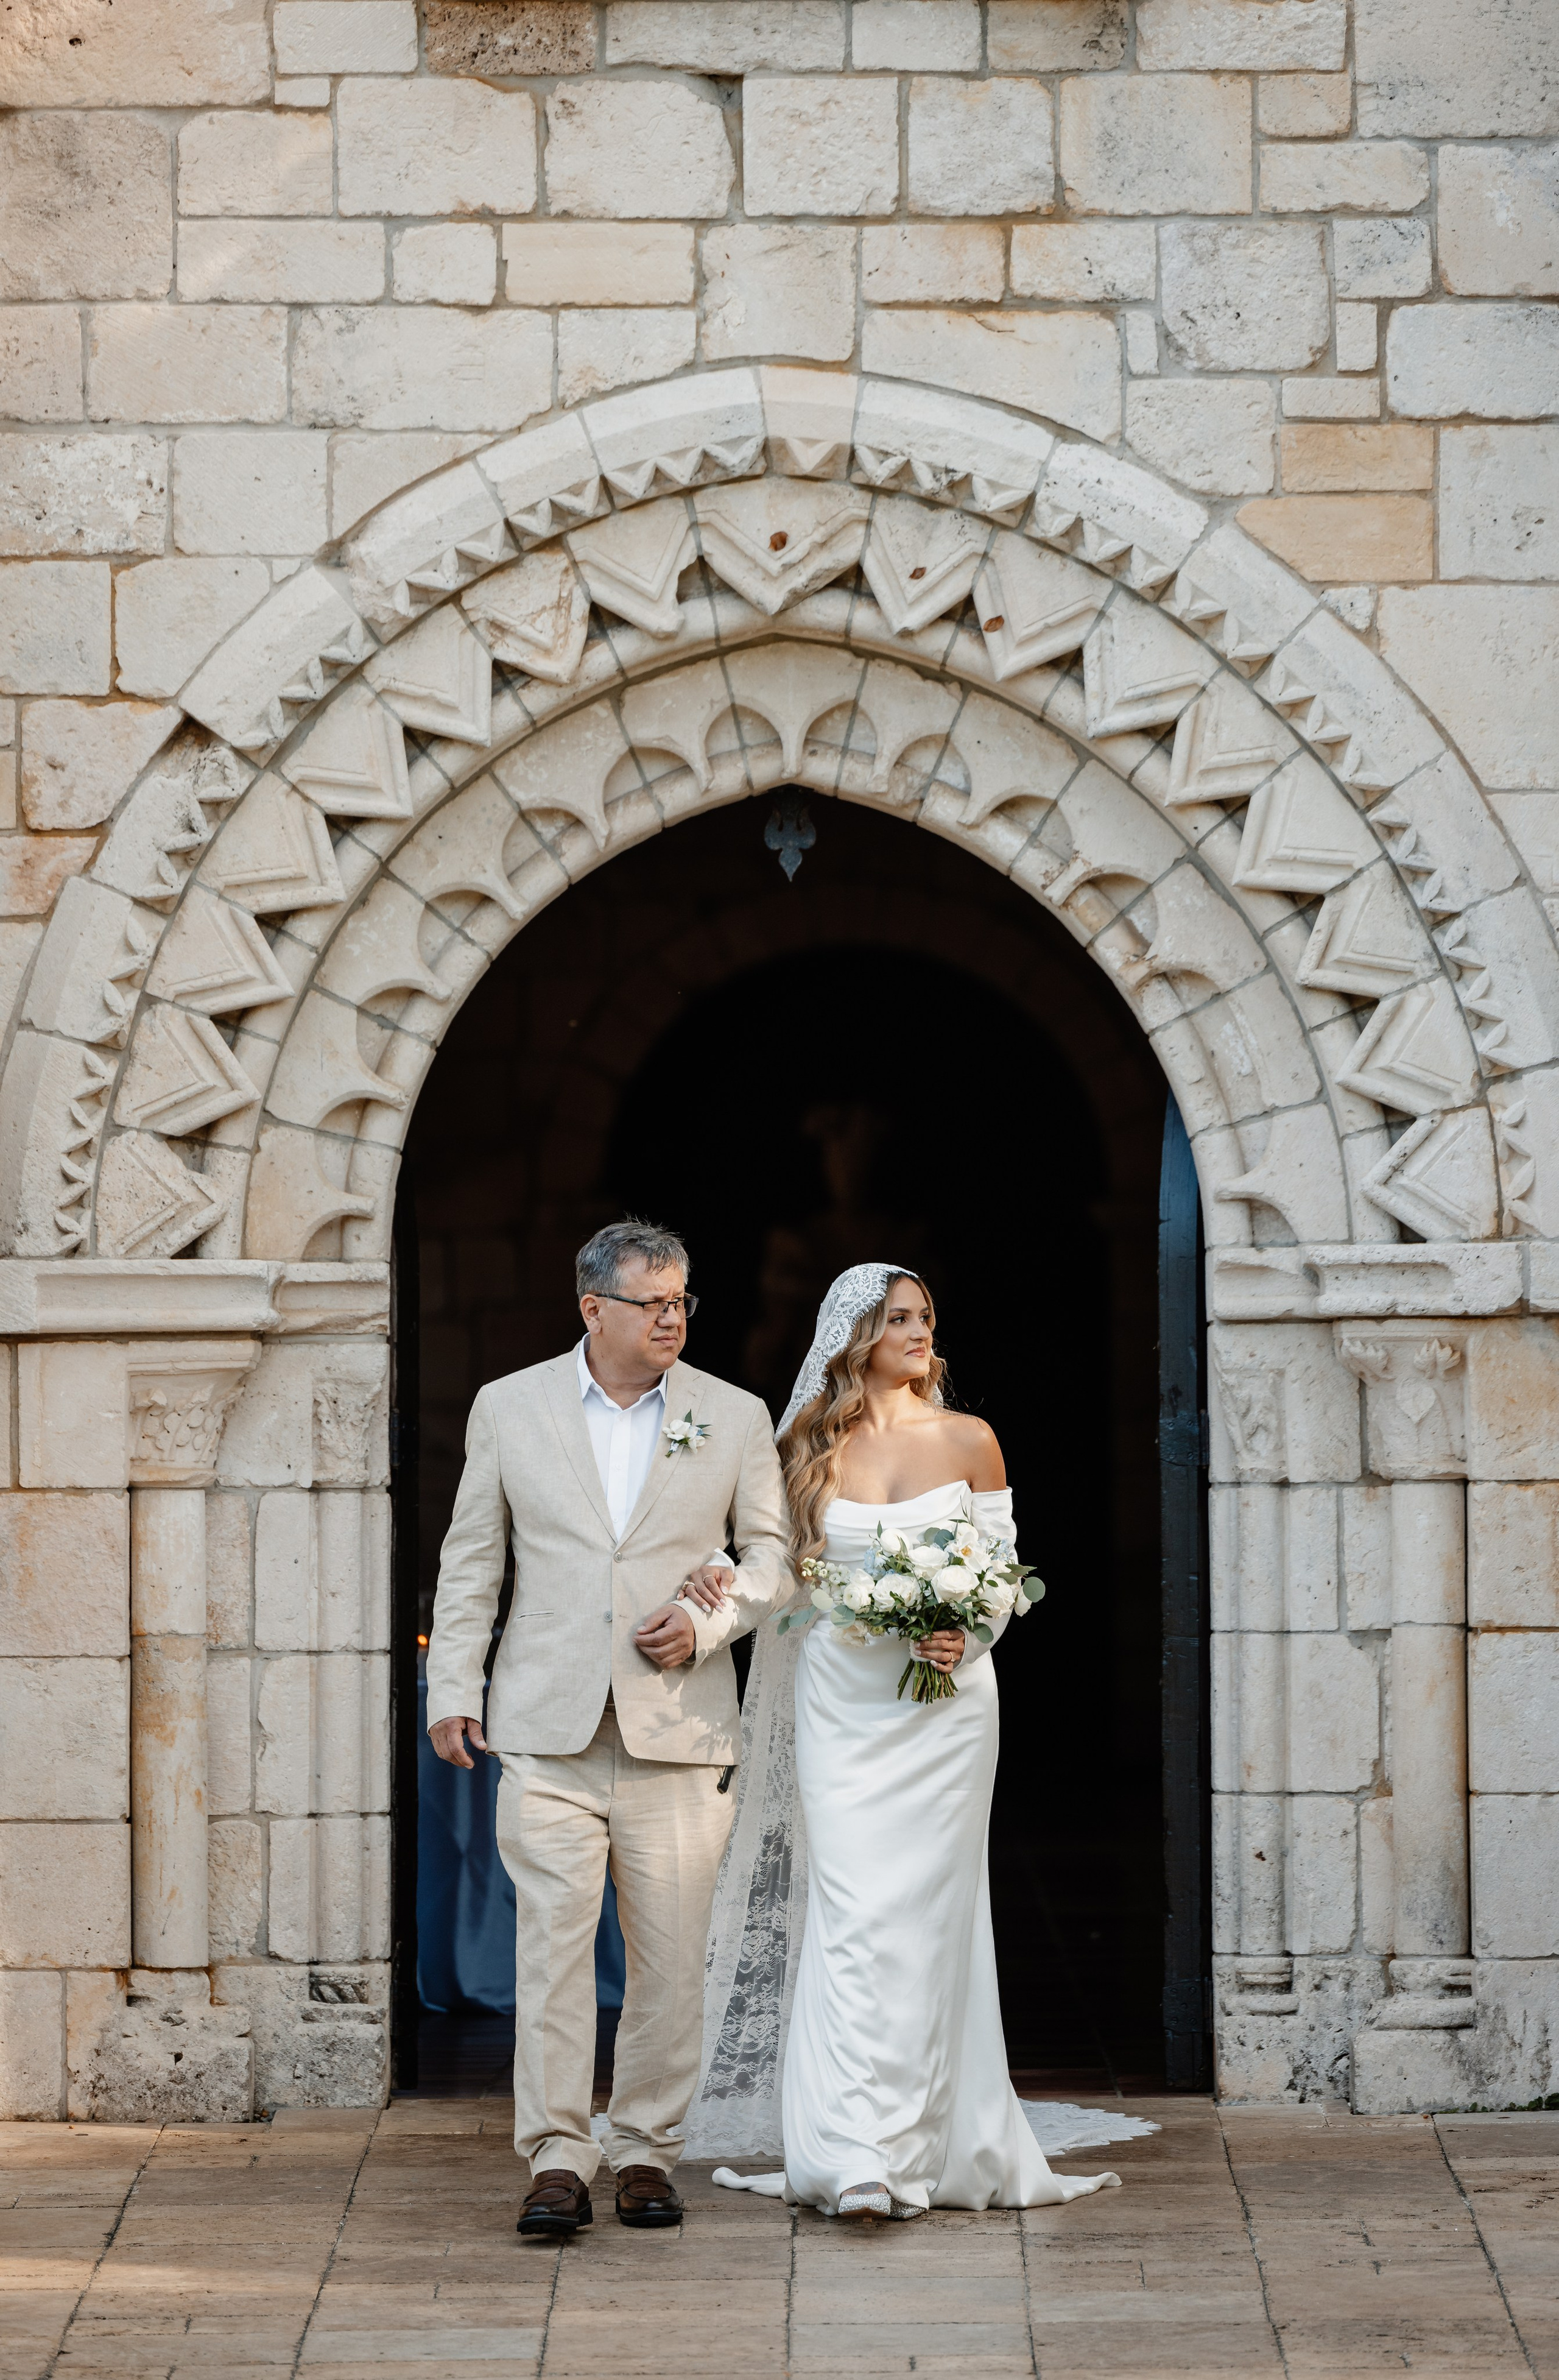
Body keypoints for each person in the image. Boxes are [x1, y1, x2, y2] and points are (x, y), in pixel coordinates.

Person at [682, 1263, 1121, 2217]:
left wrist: (970, 1629)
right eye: (898, 1319)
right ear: (855, 1336)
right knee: (850, 1919)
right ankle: (854, 2154)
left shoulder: (972, 1440)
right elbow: (781, 1573)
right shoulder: (808, 1444)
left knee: (930, 1923)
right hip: (841, 1706)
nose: (919, 1332)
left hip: (947, 1713)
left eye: (925, 1317)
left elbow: (1001, 1577)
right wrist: (713, 1597)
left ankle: (917, 2143)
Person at [424, 1218, 790, 2239]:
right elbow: (472, 1561)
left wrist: (714, 1619)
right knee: (549, 1952)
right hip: (547, 1728)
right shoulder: (510, 1406)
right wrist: (453, 1684)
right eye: (653, 1303)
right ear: (594, 1309)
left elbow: (773, 1557)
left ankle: (645, 2152)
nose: (673, 1318)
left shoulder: (733, 1413)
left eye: (683, 1302)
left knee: (670, 1960)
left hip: (677, 1729)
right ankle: (555, 2156)